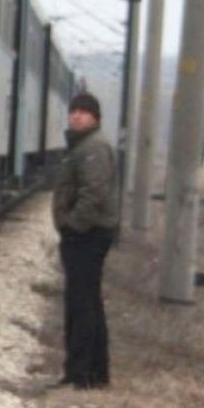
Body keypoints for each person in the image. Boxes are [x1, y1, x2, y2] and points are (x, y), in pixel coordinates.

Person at [51, 92, 117, 389]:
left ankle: (80, 373)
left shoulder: (94, 148)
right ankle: (95, 374)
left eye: (83, 111)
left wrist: (73, 225)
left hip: (88, 234)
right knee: (87, 301)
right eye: (73, 110)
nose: (76, 115)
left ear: (95, 117)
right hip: (88, 232)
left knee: (82, 304)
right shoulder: (85, 145)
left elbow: (94, 192)